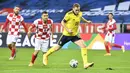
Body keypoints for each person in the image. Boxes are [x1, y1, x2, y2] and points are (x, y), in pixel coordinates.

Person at [43, 3, 94, 69]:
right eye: (76, 10)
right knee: (57, 48)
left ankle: (85, 64)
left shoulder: (80, 13)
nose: (77, 11)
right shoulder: (68, 14)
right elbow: (62, 22)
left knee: (83, 45)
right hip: (66, 35)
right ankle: (45, 55)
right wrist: (67, 29)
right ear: (73, 9)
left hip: (74, 35)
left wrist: (87, 21)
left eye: (78, 10)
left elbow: (80, 18)